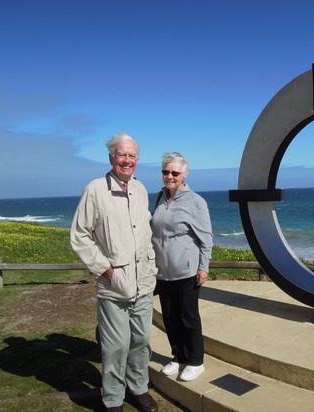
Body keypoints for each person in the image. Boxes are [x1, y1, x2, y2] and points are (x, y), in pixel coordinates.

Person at [70, 132, 158, 412]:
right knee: (115, 346)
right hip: (114, 284)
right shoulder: (95, 190)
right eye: (122, 155)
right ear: (111, 157)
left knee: (141, 341)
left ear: (138, 160)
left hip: (143, 281)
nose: (127, 160)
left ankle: (138, 388)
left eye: (132, 156)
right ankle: (112, 399)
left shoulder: (141, 189)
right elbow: (79, 235)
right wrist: (104, 268)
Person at [151, 152, 213, 382]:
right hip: (163, 272)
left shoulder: (195, 202)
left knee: (188, 317)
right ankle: (178, 356)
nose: (170, 176)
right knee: (169, 316)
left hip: (187, 271)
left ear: (184, 175)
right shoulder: (159, 198)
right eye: (166, 172)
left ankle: (196, 361)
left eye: (175, 173)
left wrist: (203, 268)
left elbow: (206, 238)